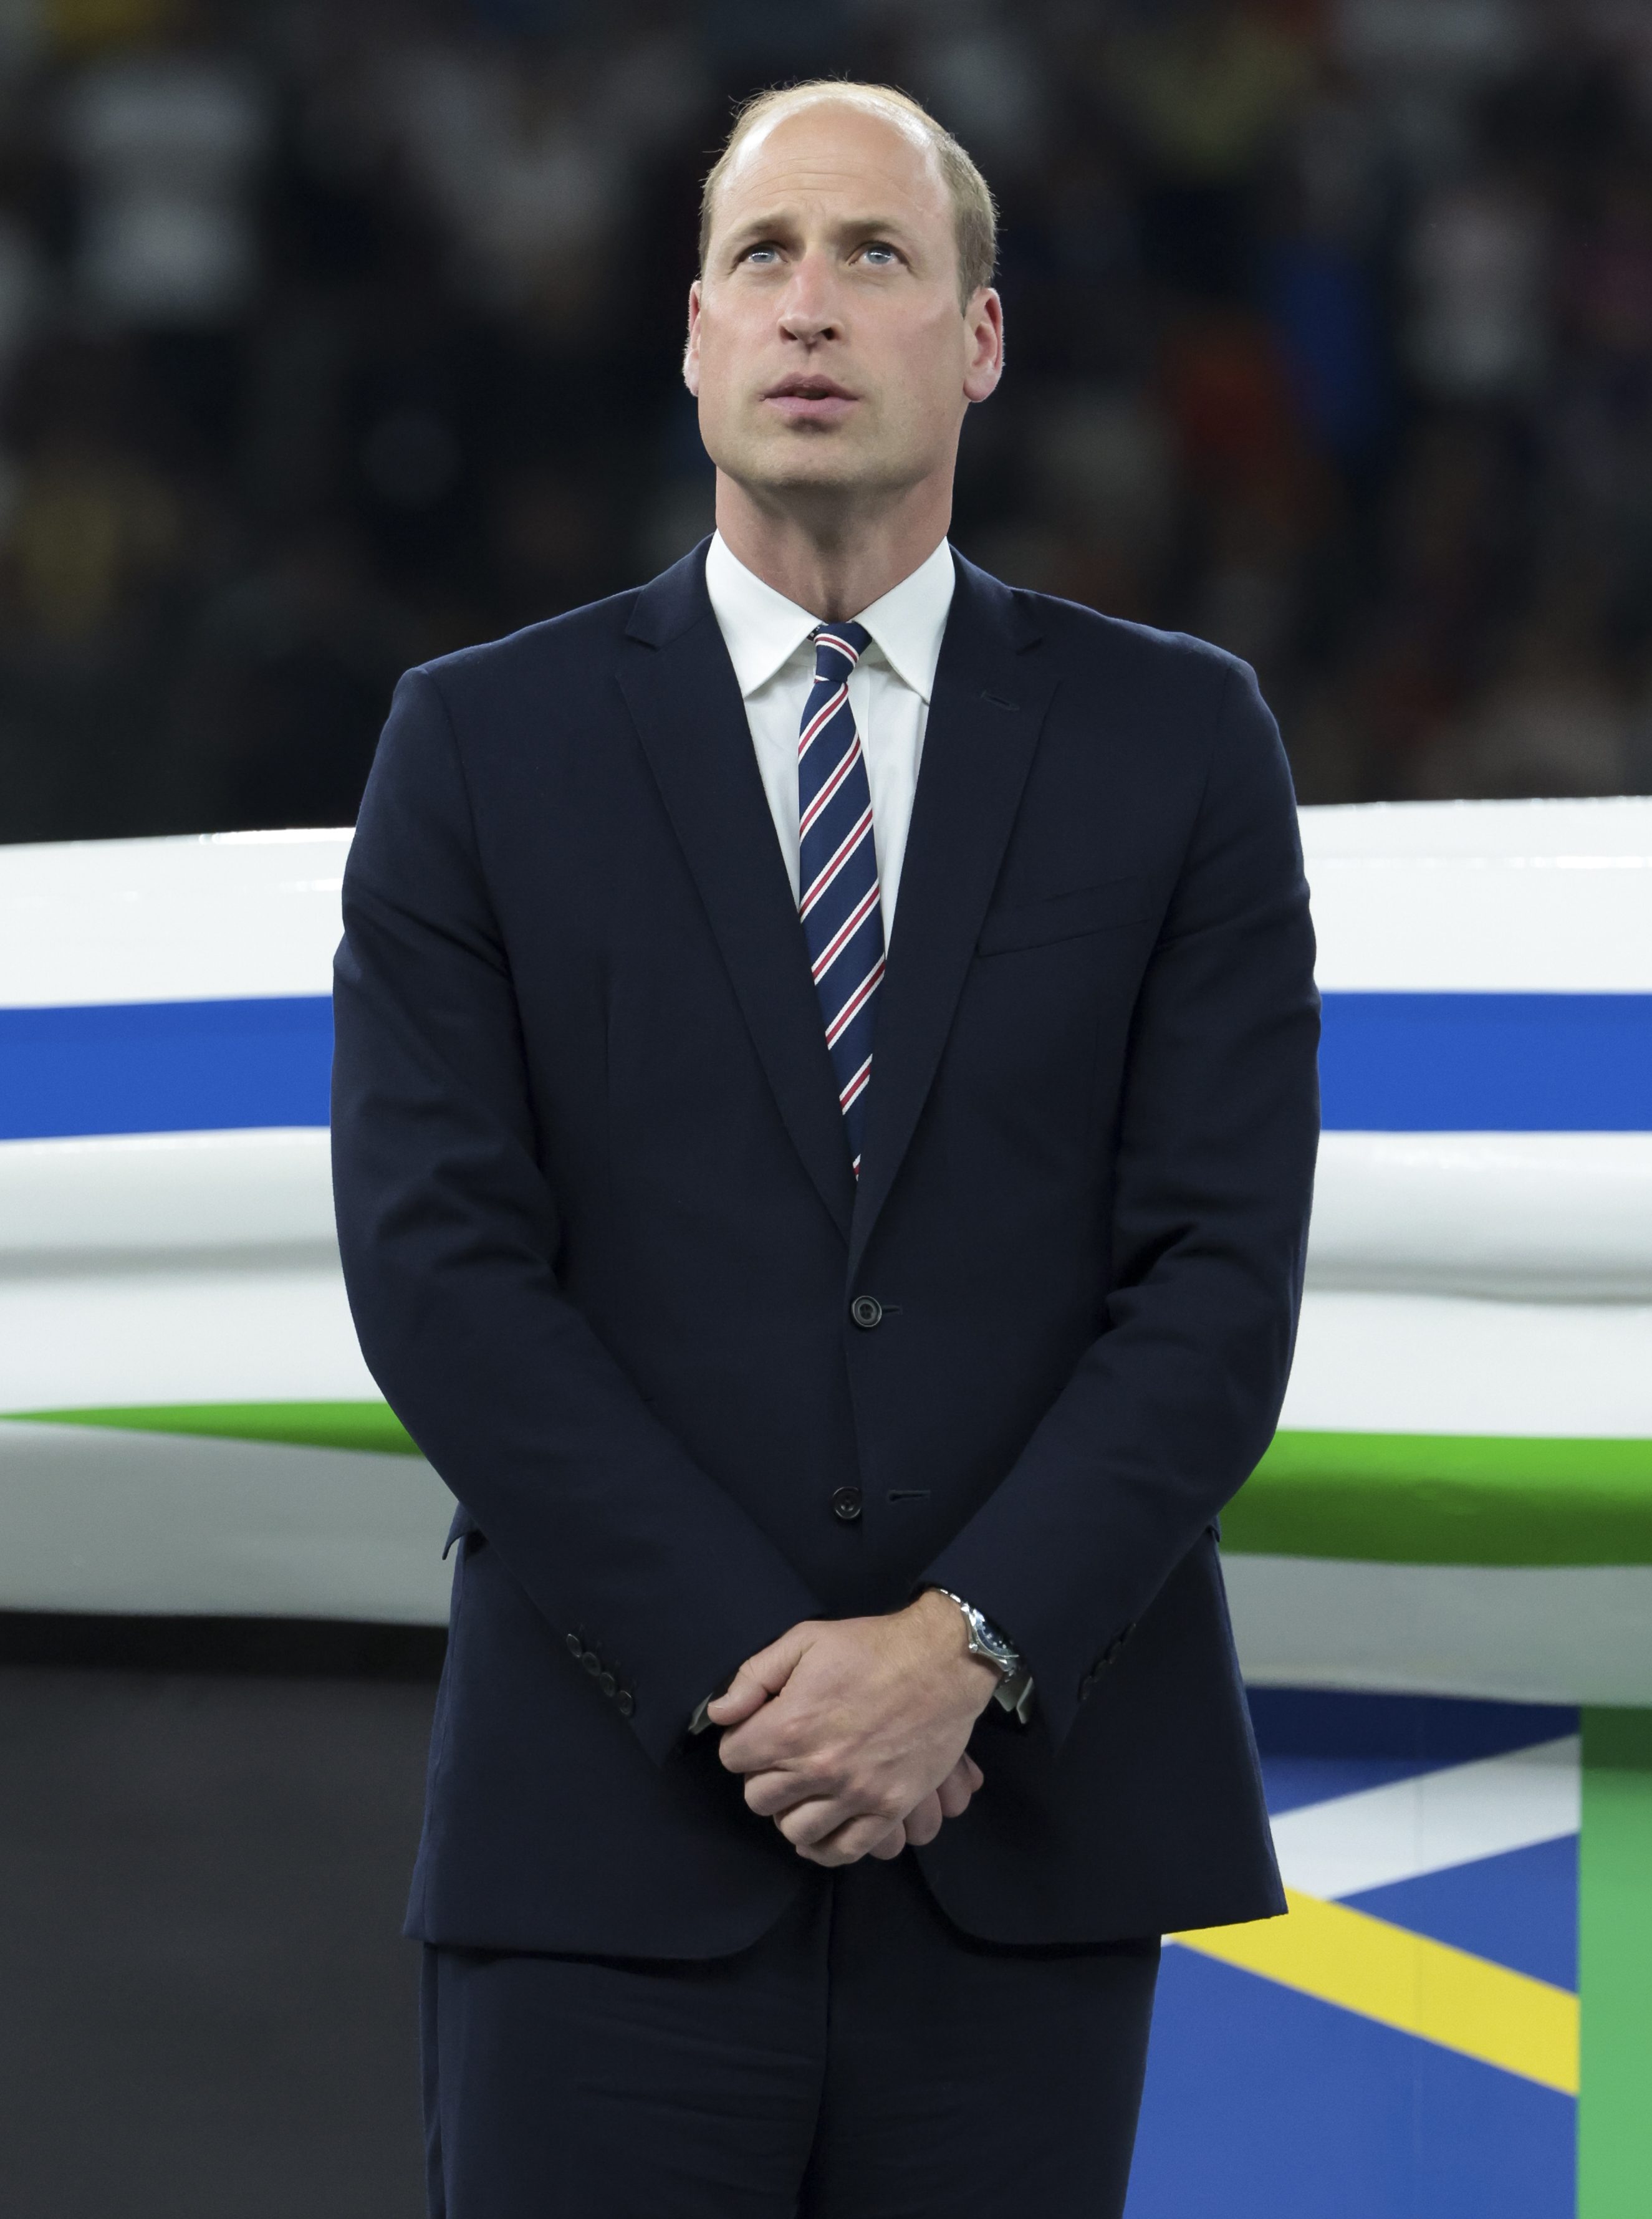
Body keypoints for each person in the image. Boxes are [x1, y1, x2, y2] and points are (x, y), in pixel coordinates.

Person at [332, 79, 1319, 2219]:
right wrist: (769, 1684)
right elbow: (441, 1278)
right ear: (690, 334)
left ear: (976, 340)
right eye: (762, 258)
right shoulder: (477, 748)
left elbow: (1217, 1284)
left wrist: (961, 1651)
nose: (810, 305)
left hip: (1027, 1834)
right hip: (605, 1838)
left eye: (874, 255)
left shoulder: (1180, 742)